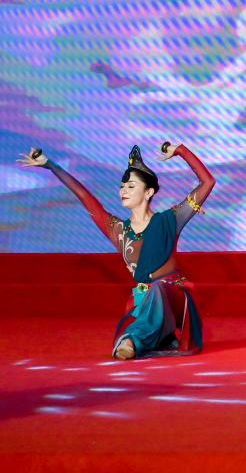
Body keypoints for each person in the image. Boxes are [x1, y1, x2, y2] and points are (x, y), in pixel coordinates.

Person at [18, 142, 216, 359]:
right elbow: (84, 196)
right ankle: (156, 336)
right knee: (147, 297)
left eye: (131, 186)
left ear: (148, 192)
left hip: (175, 300)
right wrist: (50, 165)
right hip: (144, 301)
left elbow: (208, 182)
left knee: (158, 289)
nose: (123, 191)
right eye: (122, 186)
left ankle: (131, 341)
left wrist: (180, 151)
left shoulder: (170, 219)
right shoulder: (118, 230)